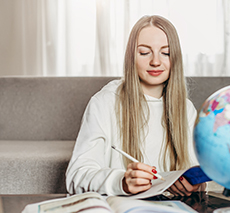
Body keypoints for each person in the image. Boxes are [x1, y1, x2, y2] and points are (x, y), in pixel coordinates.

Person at [66, 15, 204, 197]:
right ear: (132, 57)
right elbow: (77, 176)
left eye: (166, 53)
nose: (156, 61)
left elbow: (196, 172)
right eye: (145, 52)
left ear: (175, 58)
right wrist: (121, 182)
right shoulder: (104, 102)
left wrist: (196, 185)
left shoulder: (186, 109)